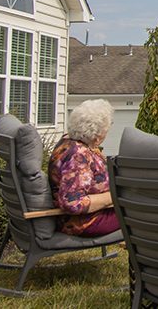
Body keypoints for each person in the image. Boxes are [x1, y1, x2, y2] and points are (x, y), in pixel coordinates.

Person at [48, 98, 120, 237]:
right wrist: (114, 197)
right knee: (140, 216)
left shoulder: (68, 141)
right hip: (84, 222)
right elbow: (73, 203)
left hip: (93, 214)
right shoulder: (78, 156)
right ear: (97, 136)